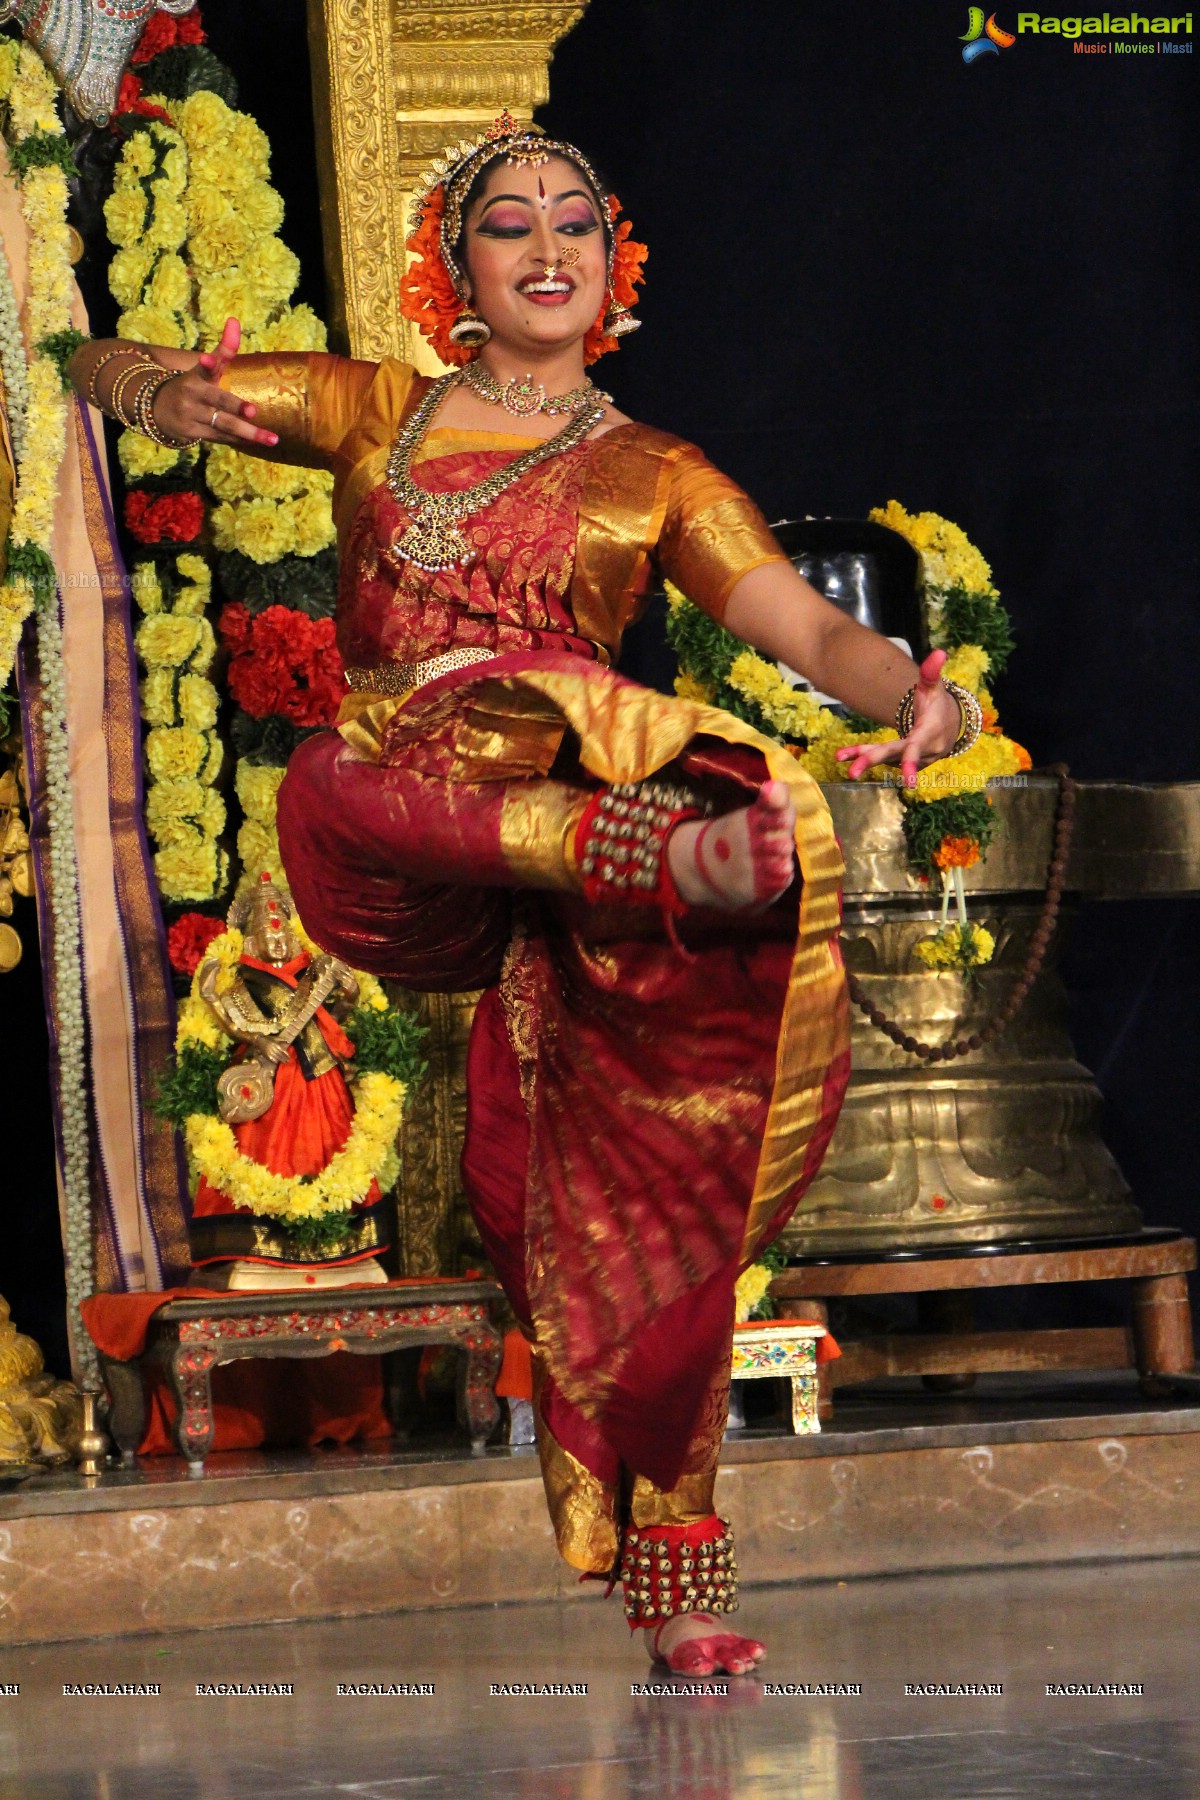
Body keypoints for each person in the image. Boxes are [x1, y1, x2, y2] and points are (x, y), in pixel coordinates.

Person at [70, 115, 978, 1677]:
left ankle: (683, 1591)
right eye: (511, 225)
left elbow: (804, 633)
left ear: (612, 265)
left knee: (607, 1226)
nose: (547, 246)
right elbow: (95, 358)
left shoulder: (654, 473)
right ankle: (656, 858)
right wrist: (158, 387)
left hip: (569, 858)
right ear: (458, 269)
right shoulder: (379, 415)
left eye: (576, 222)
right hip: (413, 846)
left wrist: (914, 688)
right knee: (320, 776)